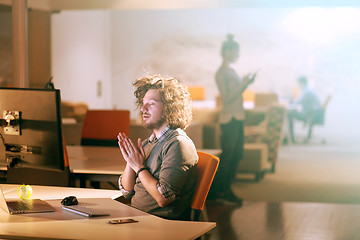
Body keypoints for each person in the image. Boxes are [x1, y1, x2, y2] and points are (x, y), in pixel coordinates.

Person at [117, 74, 198, 220]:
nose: (142, 109)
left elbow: (163, 198)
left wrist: (140, 168)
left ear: (169, 108)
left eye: (151, 103)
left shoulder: (178, 144)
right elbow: (127, 192)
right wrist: (131, 161)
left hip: (160, 225)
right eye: (143, 103)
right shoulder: (149, 142)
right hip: (137, 219)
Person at [209, 34, 256, 203]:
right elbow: (227, 99)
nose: (238, 55)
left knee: (237, 155)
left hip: (238, 117)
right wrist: (243, 84)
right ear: (227, 51)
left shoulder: (231, 71)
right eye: (236, 51)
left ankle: (224, 189)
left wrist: (245, 83)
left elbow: (235, 95)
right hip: (229, 119)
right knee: (229, 156)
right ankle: (220, 191)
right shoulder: (221, 73)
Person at [287, 76, 322, 143]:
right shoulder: (308, 90)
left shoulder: (307, 92)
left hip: (309, 114)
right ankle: (291, 137)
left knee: (289, 114)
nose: (298, 85)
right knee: (291, 112)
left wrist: (289, 102)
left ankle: (291, 138)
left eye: (299, 83)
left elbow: (299, 102)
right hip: (312, 113)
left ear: (302, 83)